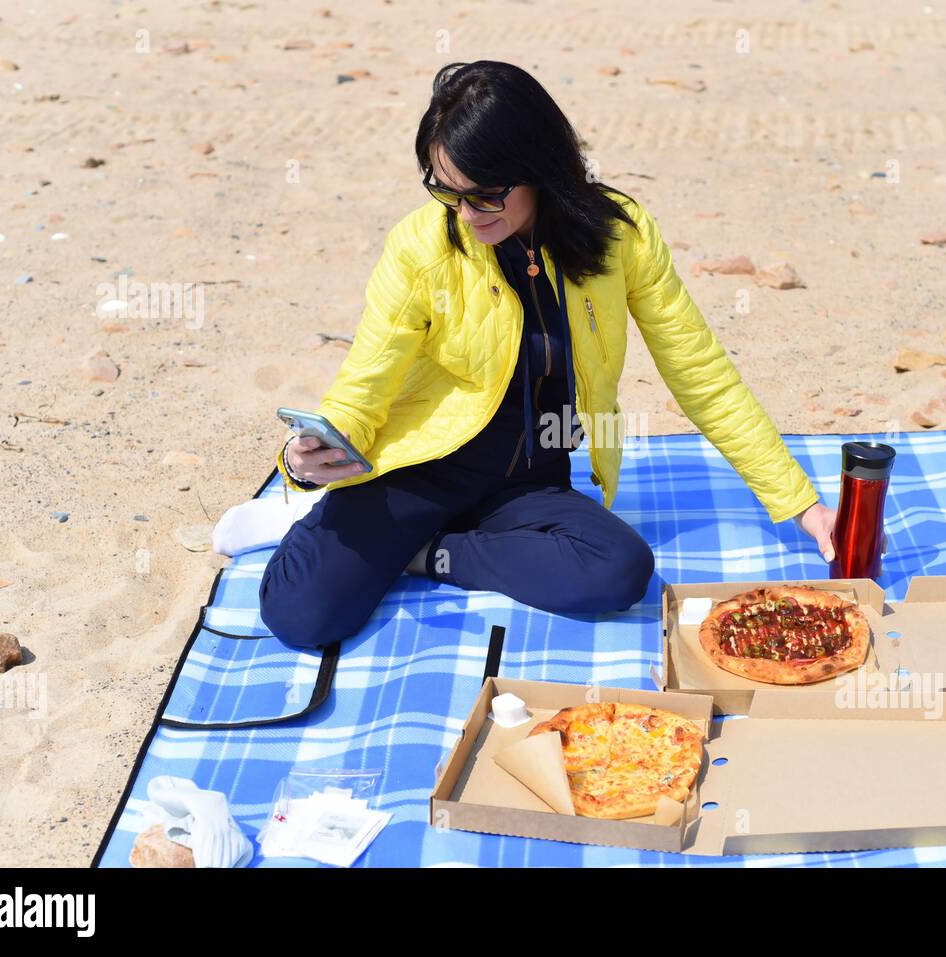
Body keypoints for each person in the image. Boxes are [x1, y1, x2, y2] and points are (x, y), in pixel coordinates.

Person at [259, 60, 837, 650]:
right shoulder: (421, 245)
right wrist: (311, 454)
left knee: (619, 571)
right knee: (300, 616)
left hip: (528, 485)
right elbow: (368, 375)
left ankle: (423, 551)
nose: (466, 214)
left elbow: (699, 370)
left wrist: (798, 500)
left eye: (485, 195)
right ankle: (333, 526)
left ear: (536, 167)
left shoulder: (620, 234)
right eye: (445, 190)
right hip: (422, 470)